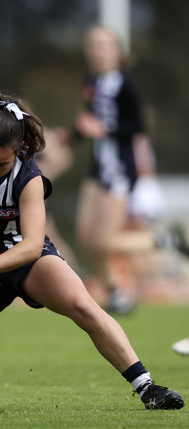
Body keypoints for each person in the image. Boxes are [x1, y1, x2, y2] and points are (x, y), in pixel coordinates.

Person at [0, 86, 184, 411]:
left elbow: (32, 246)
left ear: (18, 149)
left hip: (28, 263)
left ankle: (148, 387)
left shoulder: (30, 177)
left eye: (0, 164)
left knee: (85, 308)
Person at [72, 25, 186, 313]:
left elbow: (137, 127)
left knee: (103, 241)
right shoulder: (93, 81)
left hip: (120, 169)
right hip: (97, 168)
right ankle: (116, 293)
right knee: (85, 238)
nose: (97, 51)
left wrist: (104, 129)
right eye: (93, 45)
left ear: (117, 51)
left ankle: (167, 240)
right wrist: (72, 135)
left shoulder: (125, 84)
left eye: (103, 45)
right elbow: (91, 122)